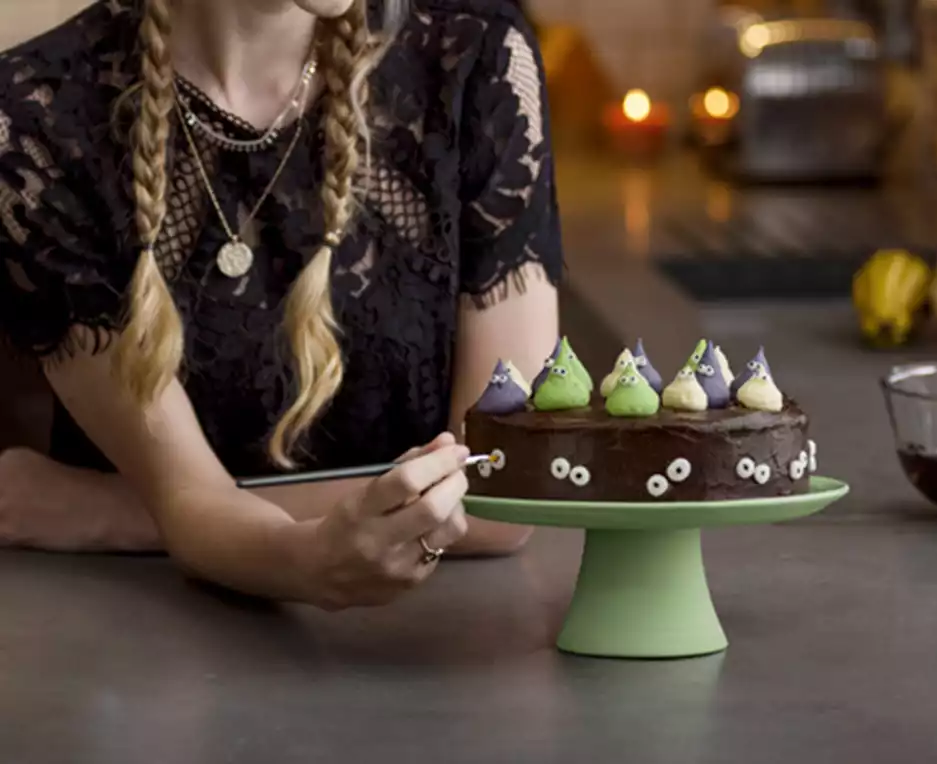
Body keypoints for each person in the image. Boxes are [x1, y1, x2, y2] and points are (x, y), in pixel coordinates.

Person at [0, 0, 562, 609]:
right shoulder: (36, 118)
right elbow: (191, 500)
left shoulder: (475, 53)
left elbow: (505, 488)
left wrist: (115, 510)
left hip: (445, 634)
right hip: (131, 631)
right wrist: (298, 555)